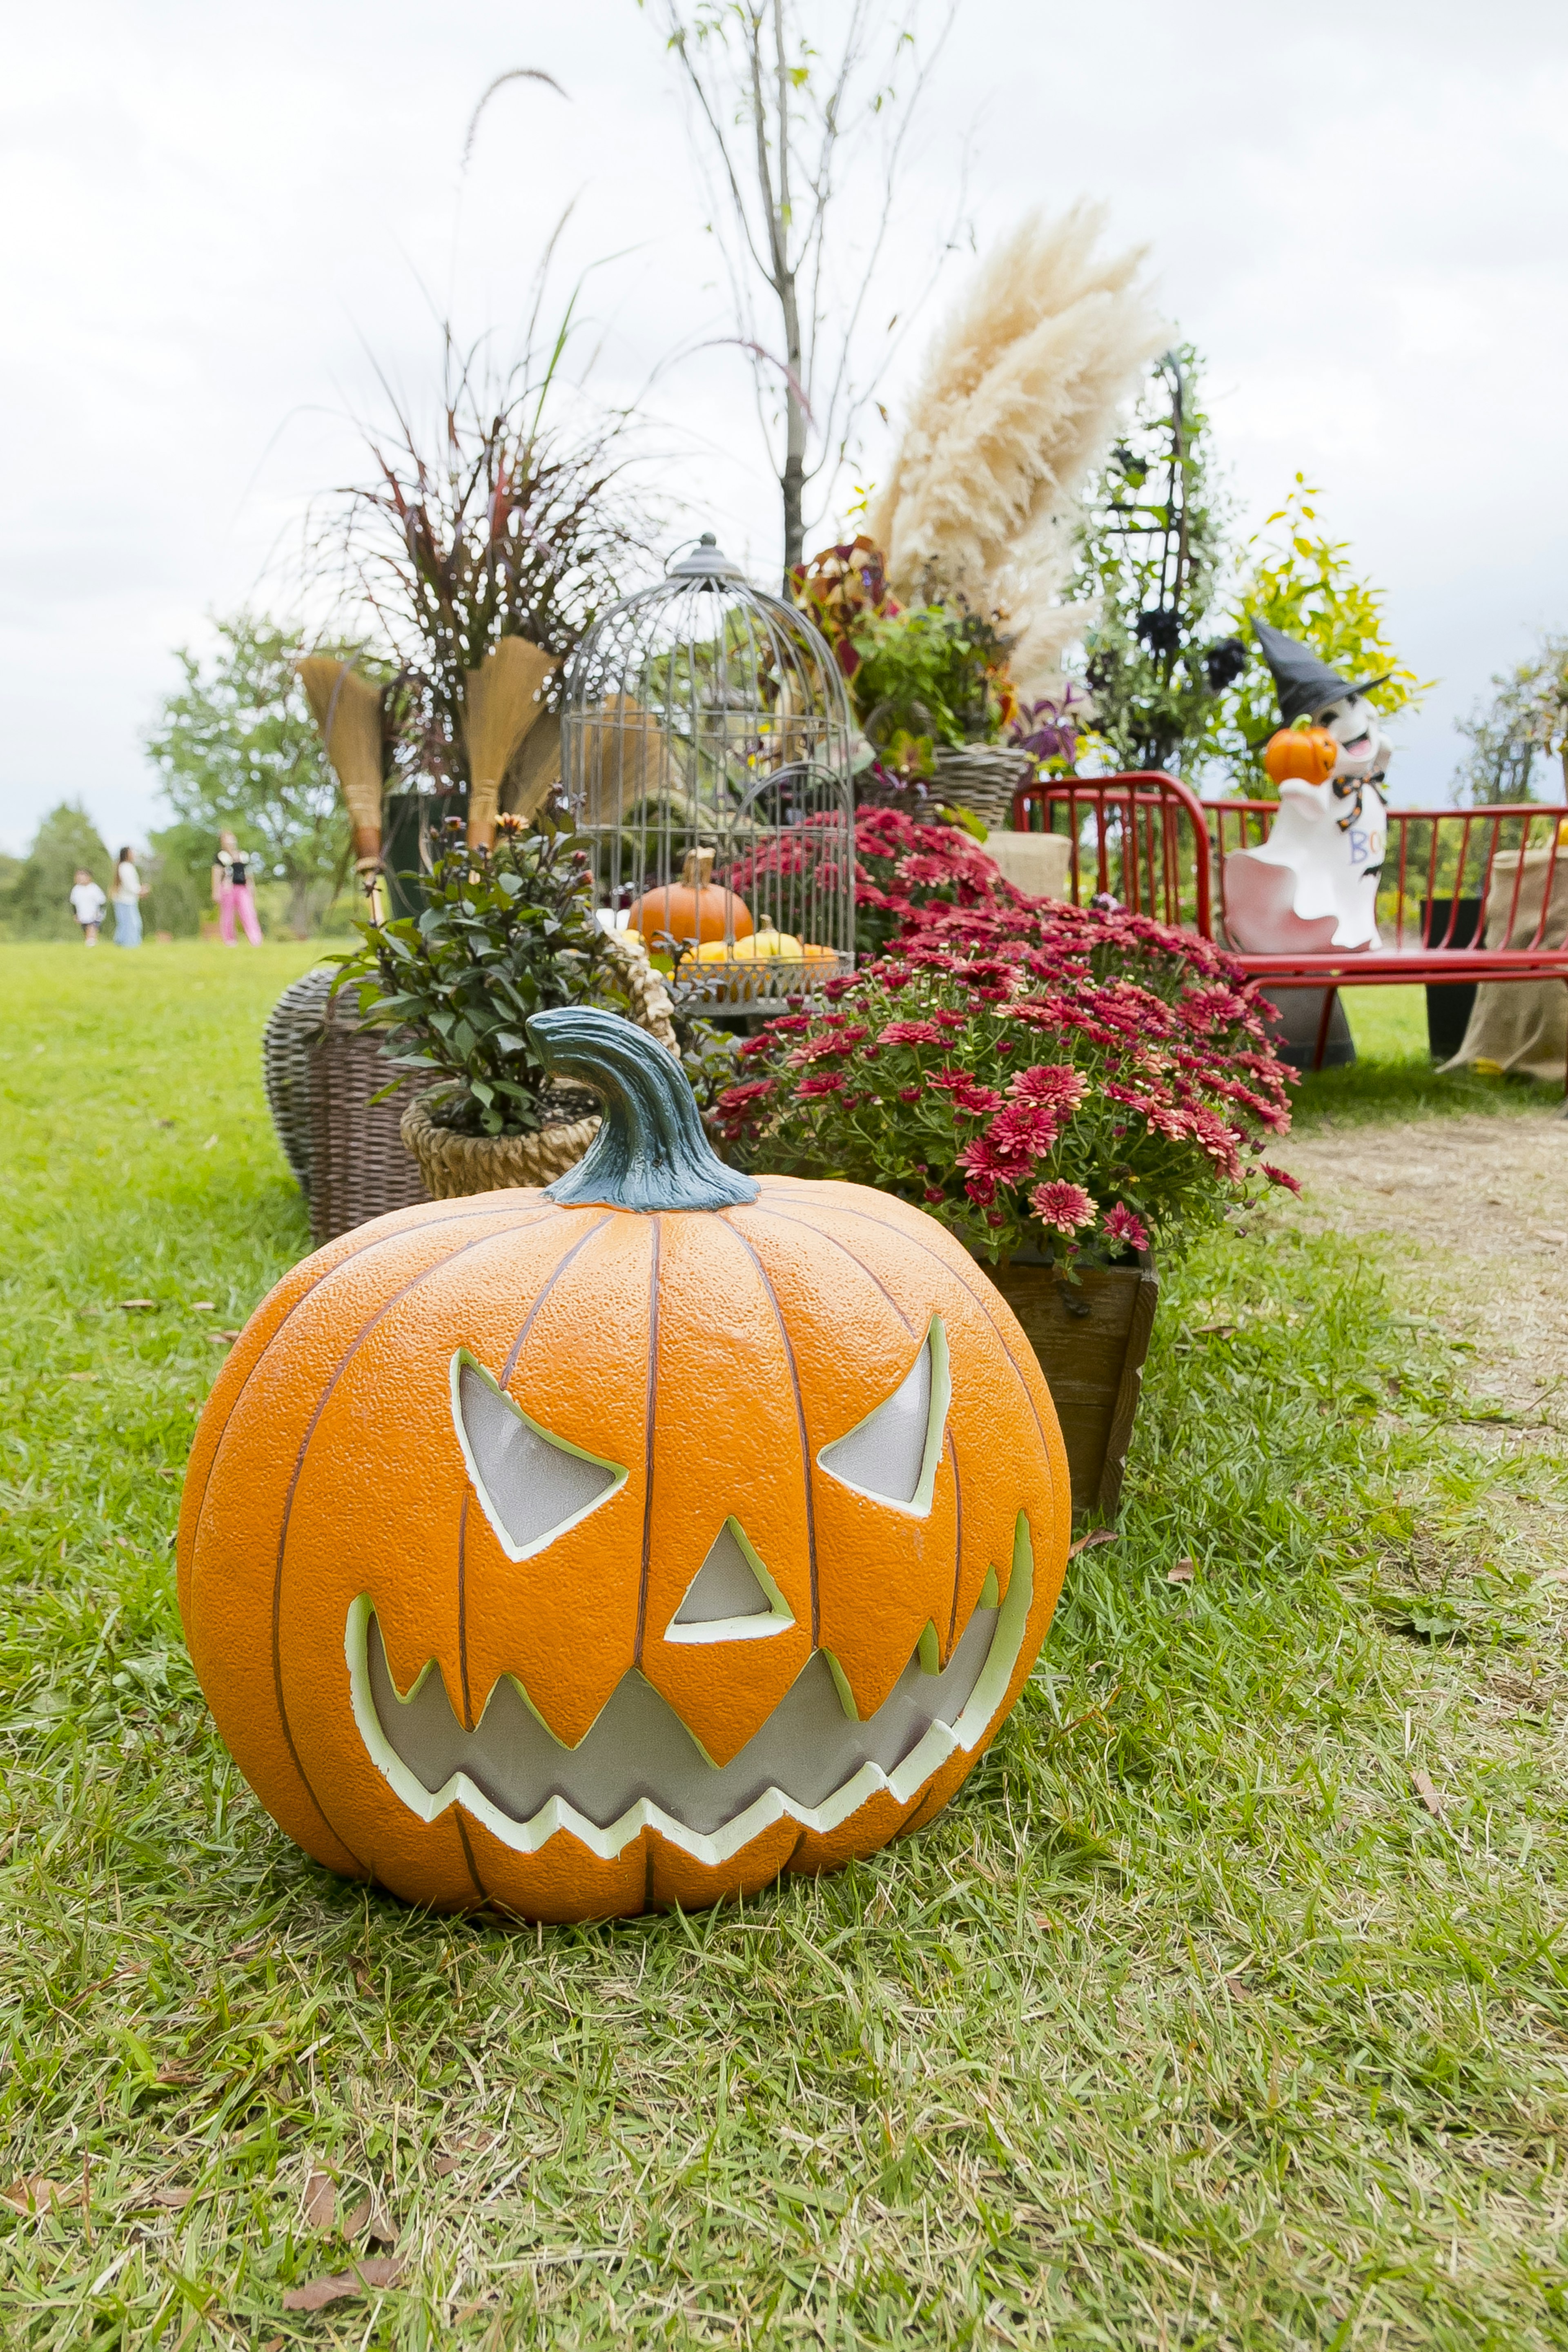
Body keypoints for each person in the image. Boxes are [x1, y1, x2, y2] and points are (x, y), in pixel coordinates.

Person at [212, 830, 263, 945]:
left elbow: (249, 874)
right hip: (227, 888)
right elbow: (217, 872)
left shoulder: (243, 856)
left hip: (243, 888)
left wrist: (252, 888)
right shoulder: (221, 856)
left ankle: (256, 939)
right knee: (228, 915)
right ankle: (230, 940)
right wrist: (216, 891)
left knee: (249, 913)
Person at [112, 844, 146, 948]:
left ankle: (121, 943)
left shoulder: (125, 867)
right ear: (127, 855)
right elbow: (129, 885)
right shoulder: (125, 867)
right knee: (132, 923)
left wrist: (139, 890)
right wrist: (140, 891)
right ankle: (130, 944)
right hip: (125, 900)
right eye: (132, 853)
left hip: (127, 899)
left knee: (125, 923)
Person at [70, 868, 107, 945]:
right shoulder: (76, 889)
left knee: (92, 928)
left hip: (94, 914)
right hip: (83, 914)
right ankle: (90, 945)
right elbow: (74, 903)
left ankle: (92, 944)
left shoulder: (94, 888)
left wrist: (99, 913)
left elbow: (102, 902)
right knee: (86, 930)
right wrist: (75, 914)